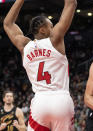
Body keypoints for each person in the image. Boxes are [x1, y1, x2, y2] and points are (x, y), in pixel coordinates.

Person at [3, 0, 77, 130]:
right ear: (42, 30)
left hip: (40, 102)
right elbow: (72, 3)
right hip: (61, 99)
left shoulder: (25, 46)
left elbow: (8, 24)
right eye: (51, 26)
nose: (53, 28)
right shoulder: (55, 40)